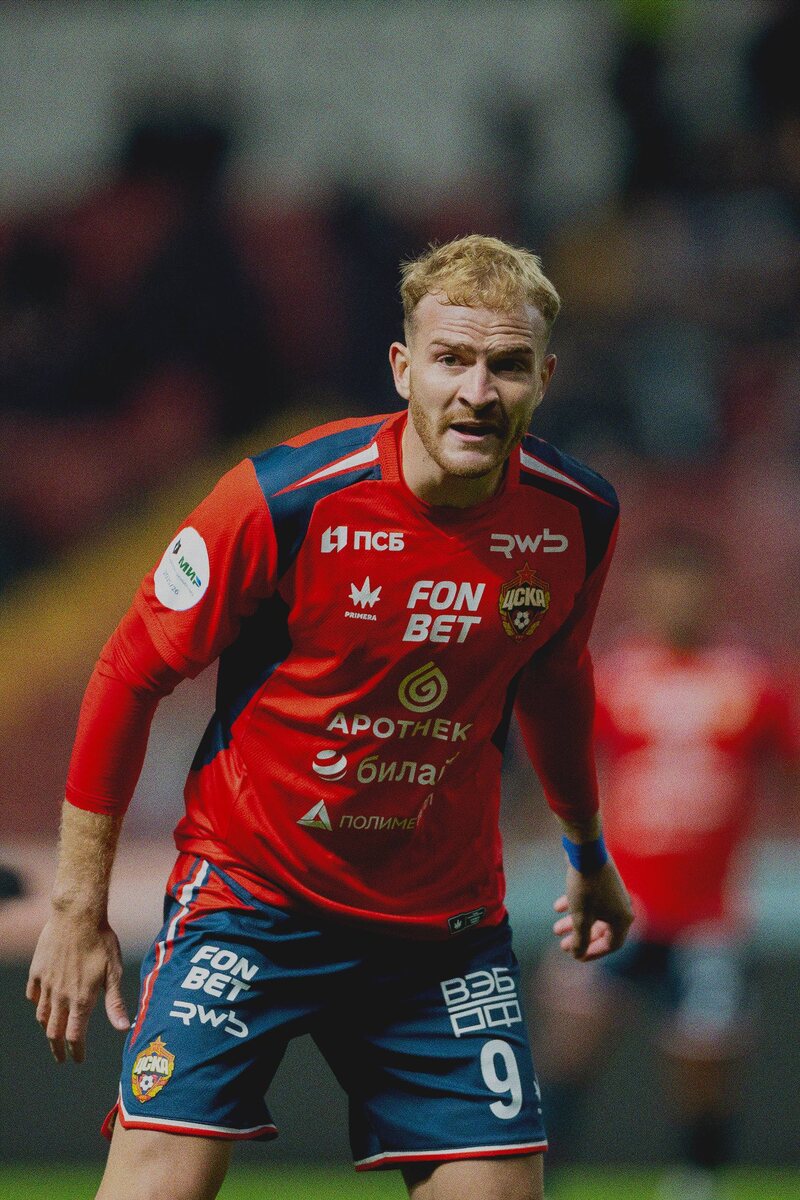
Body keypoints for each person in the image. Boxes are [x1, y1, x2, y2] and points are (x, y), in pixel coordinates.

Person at [27, 234, 633, 1200]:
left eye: (509, 365)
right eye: (451, 359)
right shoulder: (281, 499)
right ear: (402, 368)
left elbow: (556, 682)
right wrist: (75, 905)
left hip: (440, 928)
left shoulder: (577, 517)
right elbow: (128, 672)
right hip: (251, 900)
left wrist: (587, 852)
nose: (478, 391)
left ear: (544, 379)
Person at [533, 534, 799, 1200]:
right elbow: (561, 764)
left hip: (710, 914)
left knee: (705, 1061)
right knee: (568, 1042)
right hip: (618, 903)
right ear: (644, 594)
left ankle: (698, 1181)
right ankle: (539, 1178)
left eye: (691, 588)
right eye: (666, 587)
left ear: (714, 594)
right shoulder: (614, 674)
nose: (679, 602)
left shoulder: (750, 679)